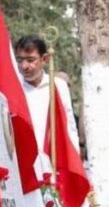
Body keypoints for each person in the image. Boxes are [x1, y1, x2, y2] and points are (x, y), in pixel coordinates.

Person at [15, 35, 80, 169]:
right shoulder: (14, 87)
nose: (24, 66)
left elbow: (69, 127)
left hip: (53, 163)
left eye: (30, 60)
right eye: (20, 60)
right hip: (22, 165)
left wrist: (75, 161)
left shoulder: (58, 86)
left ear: (44, 59)